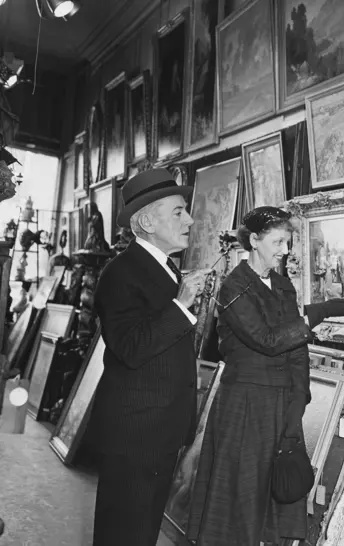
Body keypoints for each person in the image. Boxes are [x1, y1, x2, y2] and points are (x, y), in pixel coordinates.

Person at [186, 206, 344, 546]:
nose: (286, 250)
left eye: (289, 241)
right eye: (278, 241)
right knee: (242, 497)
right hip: (246, 405)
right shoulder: (233, 287)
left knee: (275, 494)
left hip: (282, 403)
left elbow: (296, 349)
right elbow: (268, 341)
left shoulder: (283, 286)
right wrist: (319, 314)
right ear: (254, 240)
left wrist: (299, 399)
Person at [90, 168, 211, 546]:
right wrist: (182, 304)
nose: (189, 220)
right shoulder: (121, 273)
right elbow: (130, 347)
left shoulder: (163, 268)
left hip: (157, 429)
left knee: (139, 534)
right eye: (178, 212)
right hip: (135, 434)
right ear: (146, 221)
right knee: (123, 535)